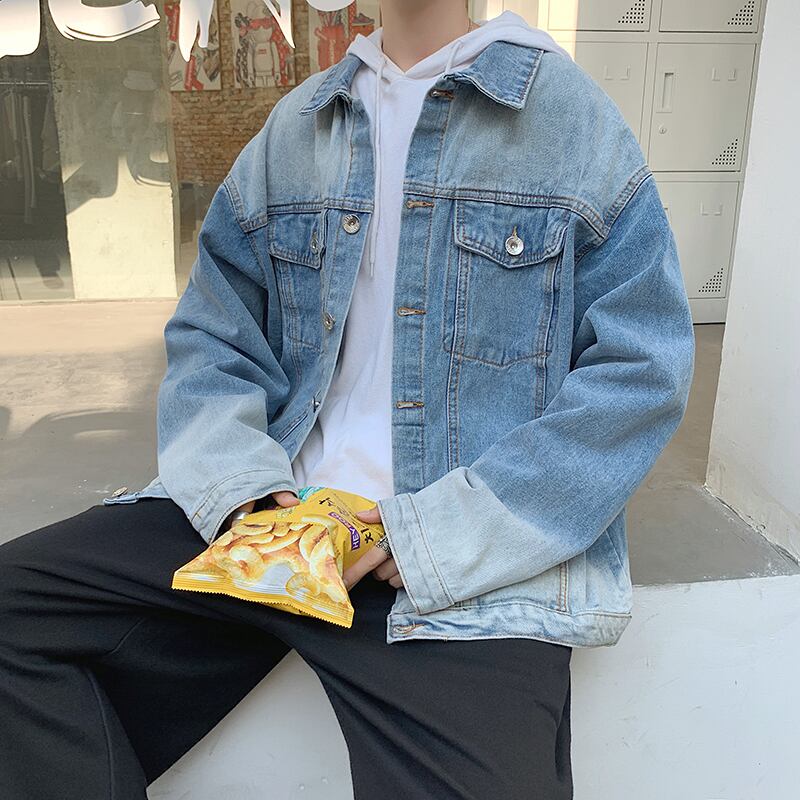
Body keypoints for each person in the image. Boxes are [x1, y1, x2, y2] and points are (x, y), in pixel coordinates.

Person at [0, 2, 696, 798]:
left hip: (448, 570)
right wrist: (242, 489)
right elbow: (214, 336)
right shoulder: (300, 126)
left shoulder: (572, 125)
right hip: (273, 525)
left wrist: (439, 533)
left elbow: (642, 371)